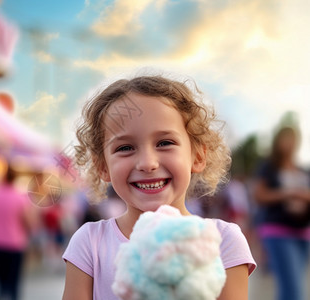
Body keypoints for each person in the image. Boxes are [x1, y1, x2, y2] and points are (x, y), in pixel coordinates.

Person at [62, 75, 256, 300]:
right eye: (125, 147)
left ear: (198, 156)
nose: (147, 163)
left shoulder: (223, 241)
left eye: (165, 143)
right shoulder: (90, 243)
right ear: (103, 166)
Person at [253, 126, 310, 300]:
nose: (289, 143)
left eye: (292, 138)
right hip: (278, 230)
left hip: (303, 232)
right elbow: (259, 195)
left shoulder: (303, 170)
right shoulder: (269, 167)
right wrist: (289, 193)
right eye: (285, 138)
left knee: (295, 286)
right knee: (292, 291)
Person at [0, 166, 36, 300]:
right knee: (14, 280)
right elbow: (27, 221)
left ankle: (0, 294)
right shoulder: (19, 197)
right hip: (15, 244)